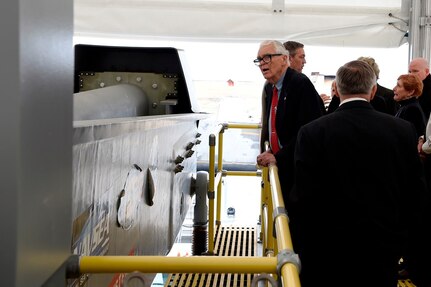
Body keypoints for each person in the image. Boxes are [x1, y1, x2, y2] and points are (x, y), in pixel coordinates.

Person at [290, 60, 431, 286]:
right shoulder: (402, 130)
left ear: (337, 87)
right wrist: (400, 241)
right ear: (373, 90)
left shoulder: (312, 131)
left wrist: (303, 246)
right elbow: (415, 192)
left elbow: (303, 197)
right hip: (381, 248)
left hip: (326, 249)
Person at [255, 40, 324, 207]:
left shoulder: (299, 83)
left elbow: (307, 132)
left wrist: (278, 157)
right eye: (259, 59)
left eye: (268, 57)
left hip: (297, 170)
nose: (262, 63)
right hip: (282, 165)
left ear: (284, 59)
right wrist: (270, 149)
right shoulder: (271, 87)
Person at [393, 74, 426, 138]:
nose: (394, 89)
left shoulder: (412, 109)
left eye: (398, 86)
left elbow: (406, 136)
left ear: (410, 92)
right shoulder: (406, 106)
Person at [409, 57, 431, 122]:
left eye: (415, 71)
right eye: (409, 71)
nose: (411, 74)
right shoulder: (413, 86)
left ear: (426, 71)